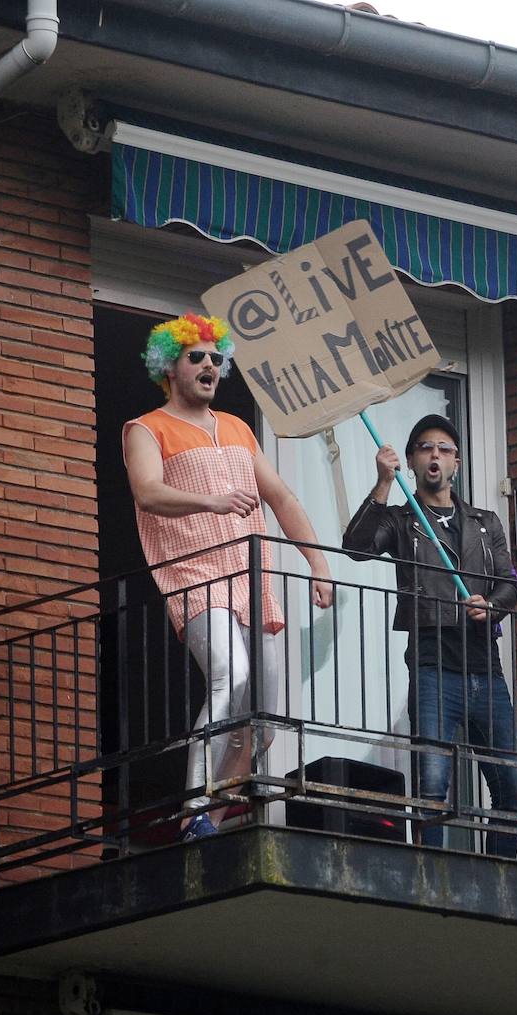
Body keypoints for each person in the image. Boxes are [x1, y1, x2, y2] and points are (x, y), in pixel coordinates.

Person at [123, 313, 334, 841]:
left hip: (249, 578)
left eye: (217, 358)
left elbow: (281, 498)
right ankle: (193, 805)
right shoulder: (146, 428)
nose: (210, 366)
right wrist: (213, 501)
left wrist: (319, 563)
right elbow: (148, 492)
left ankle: (207, 824)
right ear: (168, 366)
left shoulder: (237, 428)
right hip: (194, 576)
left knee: (262, 717)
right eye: (197, 356)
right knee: (230, 677)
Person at [342, 414, 517, 858]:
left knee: (513, 789)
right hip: (431, 666)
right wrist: (382, 483)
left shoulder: (485, 522)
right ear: (410, 460)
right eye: (425, 448)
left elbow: (510, 582)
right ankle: (434, 876)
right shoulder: (403, 519)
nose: (434, 455)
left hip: (486, 668)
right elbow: (356, 547)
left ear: (457, 462)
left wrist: (491, 605)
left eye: (443, 448)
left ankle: (497, 876)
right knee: (433, 786)